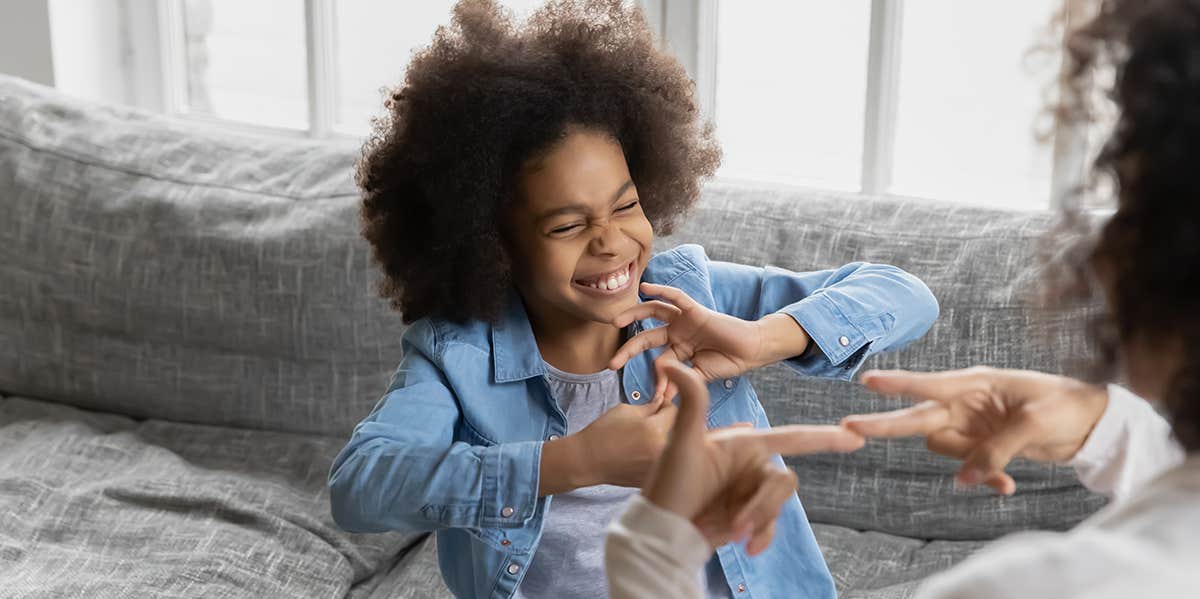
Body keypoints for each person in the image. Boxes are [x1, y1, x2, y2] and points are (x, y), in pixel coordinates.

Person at [325, 1, 939, 598]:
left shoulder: (691, 296)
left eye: (626, 206)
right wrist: (574, 461)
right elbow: (360, 488)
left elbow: (904, 294)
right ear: (490, 245)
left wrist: (759, 339)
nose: (612, 243)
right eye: (567, 226)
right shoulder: (455, 357)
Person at [604, 0, 1200, 596]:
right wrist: (1114, 429)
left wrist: (651, 547)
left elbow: (902, 292)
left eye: (1125, 200)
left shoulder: (1035, 583)